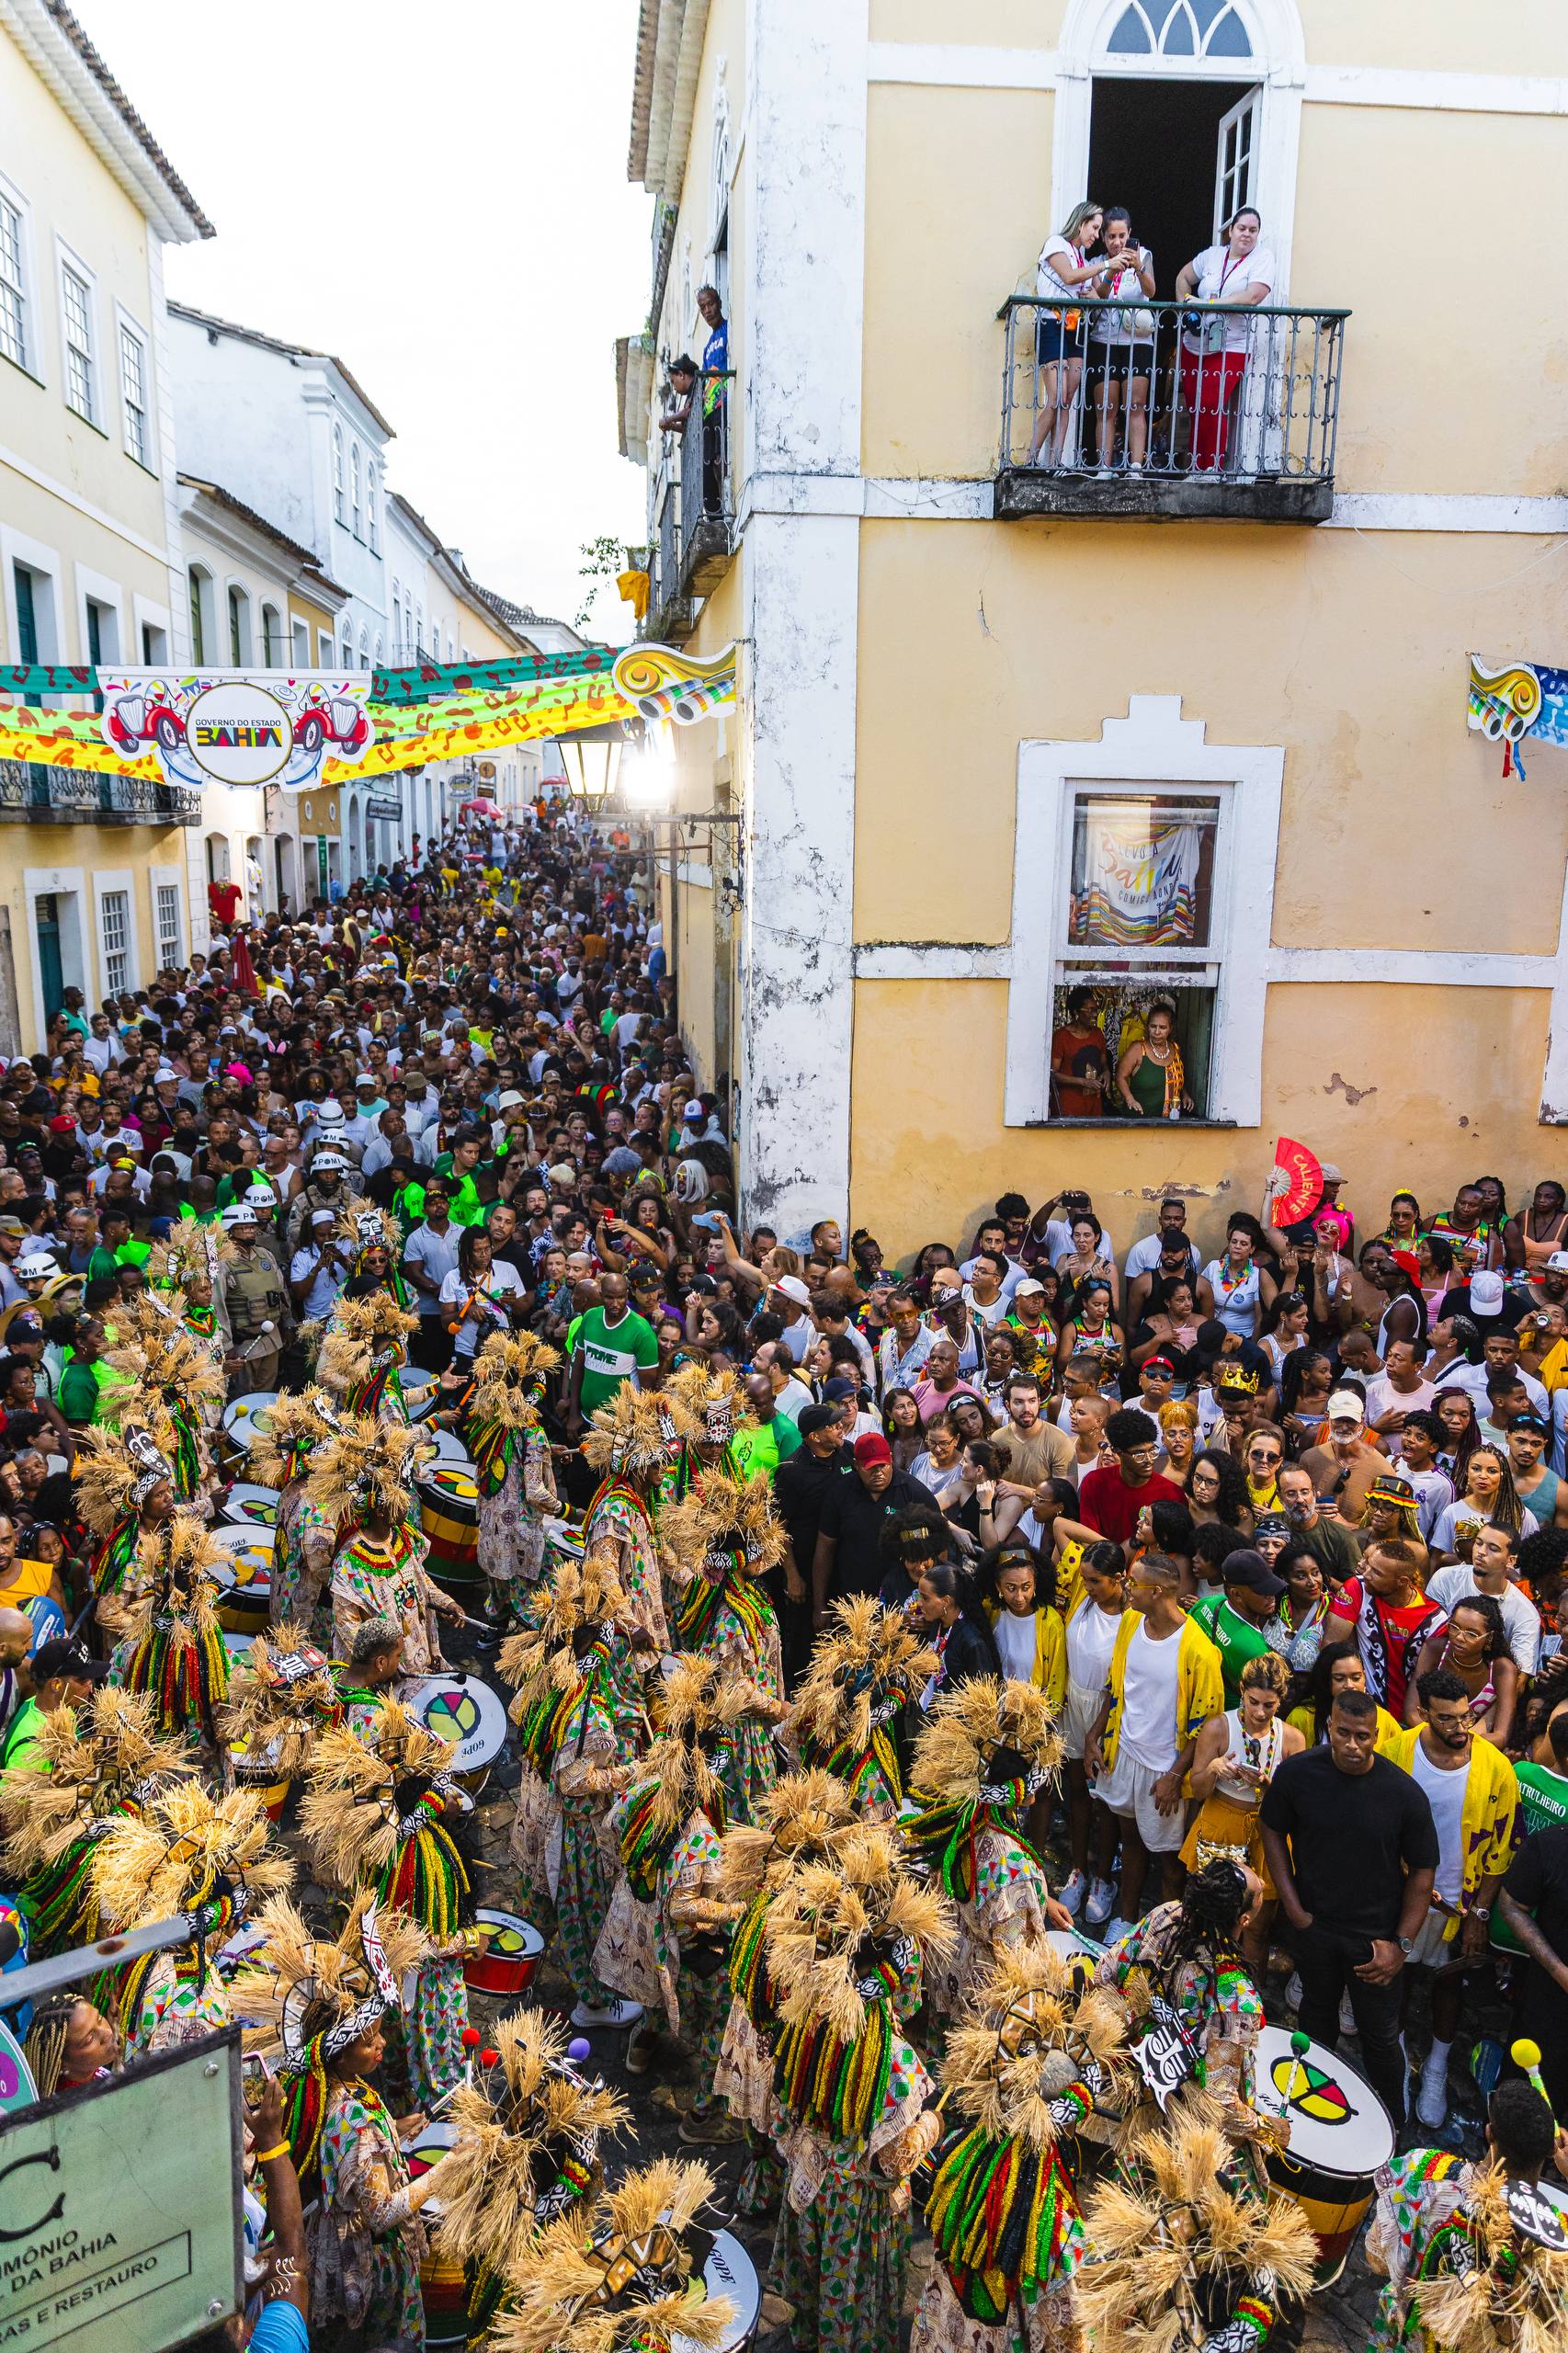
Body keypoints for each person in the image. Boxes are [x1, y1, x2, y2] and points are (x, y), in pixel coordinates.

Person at [1260, 1684, 1438, 2126]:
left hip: (1373, 1941)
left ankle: (1394, 2126)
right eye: (1344, 1733)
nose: (1353, 1746)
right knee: (1315, 2019)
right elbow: (1271, 1830)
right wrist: (1293, 1905)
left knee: (1379, 2038)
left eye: (1363, 1736)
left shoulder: (1403, 1794)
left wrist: (1401, 1945)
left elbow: (1422, 1872)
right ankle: (1306, 2117)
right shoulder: (1299, 1774)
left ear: (1377, 1736)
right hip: (1315, 1926)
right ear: (1329, 1728)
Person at [1387, 1668, 1519, 2129]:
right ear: (1423, 1713)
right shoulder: (1396, 1753)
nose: (1460, 1728)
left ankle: (1438, 2067)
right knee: (1397, 1977)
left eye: (1465, 1717)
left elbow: (1502, 1849)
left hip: (1459, 1904)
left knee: (1448, 1982)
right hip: (1401, 1896)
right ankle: (1400, 2059)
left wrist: (1480, 1912)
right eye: (1447, 1720)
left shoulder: (1495, 1768)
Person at [1084, 1552, 1223, 1935]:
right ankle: (1126, 1920)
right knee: (1129, 1841)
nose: (1126, 1589)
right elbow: (1116, 1689)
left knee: (1169, 1861)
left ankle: (1159, 1937)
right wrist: (1095, 1736)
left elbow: (1206, 1726)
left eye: (1134, 1583)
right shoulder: (1131, 1623)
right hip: (1124, 1752)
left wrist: (1175, 1776)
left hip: (1165, 1768)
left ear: (1158, 1591)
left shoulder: (1198, 1650)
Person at [1179, 1650, 1303, 1971]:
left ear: (1281, 1702)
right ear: (1242, 1693)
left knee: (1258, 1926)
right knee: (1207, 1915)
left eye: (1269, 1705)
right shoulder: (1218, 1729)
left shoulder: (1291, 1739)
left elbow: (1297, 1806)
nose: (1260, 1712)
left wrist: (1267, 1785)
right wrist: (1214, 1769)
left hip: (1266, 1835)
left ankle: (1247, 1989)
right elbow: (1198, 1788)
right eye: (1253, 1702)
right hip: (1222, 1823)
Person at [1174, 206, 1277, 472]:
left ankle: (1212, 468)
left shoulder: (1262, 258)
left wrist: (1208, 303)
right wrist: (1187, 306)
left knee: (1213, 404)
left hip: (1232, 344)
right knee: (1196, 407)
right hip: (1194, 343)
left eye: (1253, 231)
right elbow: (1183, 277)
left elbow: (1253, 296)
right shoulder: (1212, 255)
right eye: (1242, 229)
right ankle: (1196, 466)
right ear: (1231, 231)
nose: (1247, 235)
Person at [1028, 199, 1112, 468]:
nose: (1096, 236)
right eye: (1095, 228)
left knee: (1066, 399)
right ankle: (1030, 460)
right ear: (1081, 222)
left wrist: (1114, 269)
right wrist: (1102, 266)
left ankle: (1055, 462)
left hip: (1075, 328)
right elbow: (1069, 276)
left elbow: (1103, 294)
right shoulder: (1056, 244)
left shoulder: (1083, 259)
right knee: (1055, 397)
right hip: (1052, 323)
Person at [1322, 1537, 1445, 1721]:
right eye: (1369, 1566)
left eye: (1377, 1573)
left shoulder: (1434, 1620)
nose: (1367, 1574)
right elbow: (1330, 1646)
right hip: (1358, 1709)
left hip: (1404, 1718)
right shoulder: (1358, 1588)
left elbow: (1422, 1680)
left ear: (1401, 1582)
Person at [1085, 206, 1156, 472]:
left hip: (1137, 341)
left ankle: (1136, 467)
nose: (1117, 242)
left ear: (1130, 235)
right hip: (1103, 338)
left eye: (1122, 236)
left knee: (1135, 405)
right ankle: (1105, 468)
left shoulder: (1145, 256)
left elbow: (1151, 290)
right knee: (1106, 408)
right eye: (1112, 237)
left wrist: (1138, 267)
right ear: (1103, 237)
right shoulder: (1098, 263)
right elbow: (1099, 296)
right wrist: (1111, 272)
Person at [1189, 1546, 1288, 1704]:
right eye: (1262, 1591)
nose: (1271, 1596)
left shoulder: (1207, 1604)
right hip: (1231, 1720)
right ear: (1236, 1594)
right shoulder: (1257, 1651)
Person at [1075, 1405, 1183, 1543]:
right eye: (1139, 1454)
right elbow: (1087, 1537)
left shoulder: (1172, 1494)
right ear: (1119, 1452)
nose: (1149, 1460)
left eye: (1152, 1451)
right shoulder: (1094, 1482)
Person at [1116, 1000, 1193, 1119]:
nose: (1157, 1032)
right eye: (1153, 1026)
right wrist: (1129, 1099)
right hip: (1138, 1122)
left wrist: (1184, 1094)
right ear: (1147, 1027)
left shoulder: (1175, 1049)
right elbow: (1120, 1076)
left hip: (1168, 1123)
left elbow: (1175, 1077)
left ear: (1170, 1029)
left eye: (1162, 1027)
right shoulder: (1138, 1049)